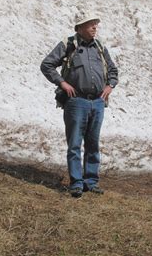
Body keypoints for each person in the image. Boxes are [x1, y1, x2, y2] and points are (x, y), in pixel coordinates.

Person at [40, 11, 118, 198]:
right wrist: (62, 83)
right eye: (91, 24)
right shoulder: (68, 45)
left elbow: (113, 70)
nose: (94, 28)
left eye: (95, 24)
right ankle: (76, 183)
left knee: (92, 144)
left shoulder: (100, 47)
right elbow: (47, 65)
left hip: (98, 102)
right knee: (75, 144)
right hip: (76, 102)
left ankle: (91, 182)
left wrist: (110, 85)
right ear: (80, 28)